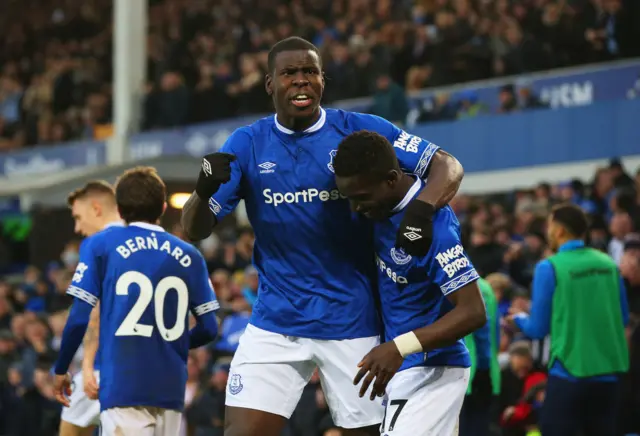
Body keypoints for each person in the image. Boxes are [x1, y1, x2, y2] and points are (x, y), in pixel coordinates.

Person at [181, 37, 464, 436]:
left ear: (322, 80)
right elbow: (194, 228)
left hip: (352, 319)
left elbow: (446, 165)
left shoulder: (358, 130)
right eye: (290, 73)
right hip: (276, 321)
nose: (301, 82)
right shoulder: (247, 144)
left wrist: (421, 210)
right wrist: (203, 191)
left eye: (310, 72)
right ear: (270, 84)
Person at [332, 130, 486, 435]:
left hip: (432, 368)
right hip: (403, 369)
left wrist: (399, 347)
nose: (357, 209)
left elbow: (473, 311)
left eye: (361, 198)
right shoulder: (381, 208)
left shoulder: (434, 231)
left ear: (391, 180)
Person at [52, 167, 220, 436]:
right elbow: (209, 328)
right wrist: (168, 343)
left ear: (119, 209)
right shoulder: (191, 255)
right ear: (163, 207)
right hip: (170, 387)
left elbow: (80, 317)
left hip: (124, 384)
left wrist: (62, 368)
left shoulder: (100, 245)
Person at [508, 203, 630, 436]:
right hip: (610, 374)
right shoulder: (608, 264)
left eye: (549, 226)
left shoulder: (549, 267)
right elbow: (623, 318)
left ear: (560, 231)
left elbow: (537, 329)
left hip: (569, 373)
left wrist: (520, 319)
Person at [60, 180, 122, 436]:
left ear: (96, 208)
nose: (77, 227)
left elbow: (86, 313)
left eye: (78, 217)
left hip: (105, 370)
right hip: (157, 374)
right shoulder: (162, 244)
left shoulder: (98, 245)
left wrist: (77, 367)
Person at [459, 277, 501, 436]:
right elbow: (494, 336)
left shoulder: (449, 284)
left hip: (460, 379)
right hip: (488, 376)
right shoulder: (486, 287)